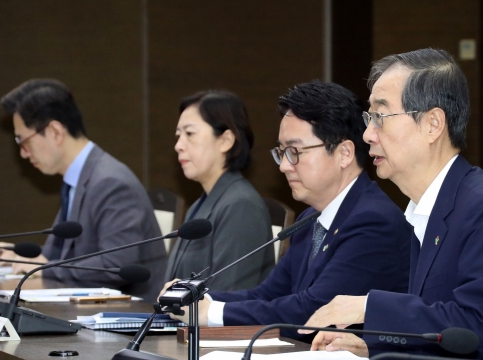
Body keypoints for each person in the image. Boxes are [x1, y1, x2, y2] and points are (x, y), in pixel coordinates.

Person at [302, 49, 483, 360]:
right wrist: (372, 349)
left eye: (380, 116)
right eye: (369, 118)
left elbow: (475, 328)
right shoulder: (430, 207)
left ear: (433, 125)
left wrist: (366, 306)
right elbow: (437, 327)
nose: (367, 134)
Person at [163, 81, 411, 341]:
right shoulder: (310, 218)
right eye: (282, 152)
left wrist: (211, 313)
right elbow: (267, 295)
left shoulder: (373, 222)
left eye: (294, 151)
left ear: (344, 153)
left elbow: (314, 311)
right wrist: (198, 298)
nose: (284, 166)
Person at [0, 79, 167, 302]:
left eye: (23, 141)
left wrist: (43, 268)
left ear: (55, 132)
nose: (23, 153)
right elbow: (57, 256)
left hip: (130, 321)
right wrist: (17, 256)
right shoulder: (77, 179)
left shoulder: (111, 182)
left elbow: (115, 265)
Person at [163, 91, 275, 291]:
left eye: (190, 134)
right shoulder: (199, 205)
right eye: (178, 136)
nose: (178, 146)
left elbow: (227, 295)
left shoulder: (242, 206)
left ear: (226, 140)